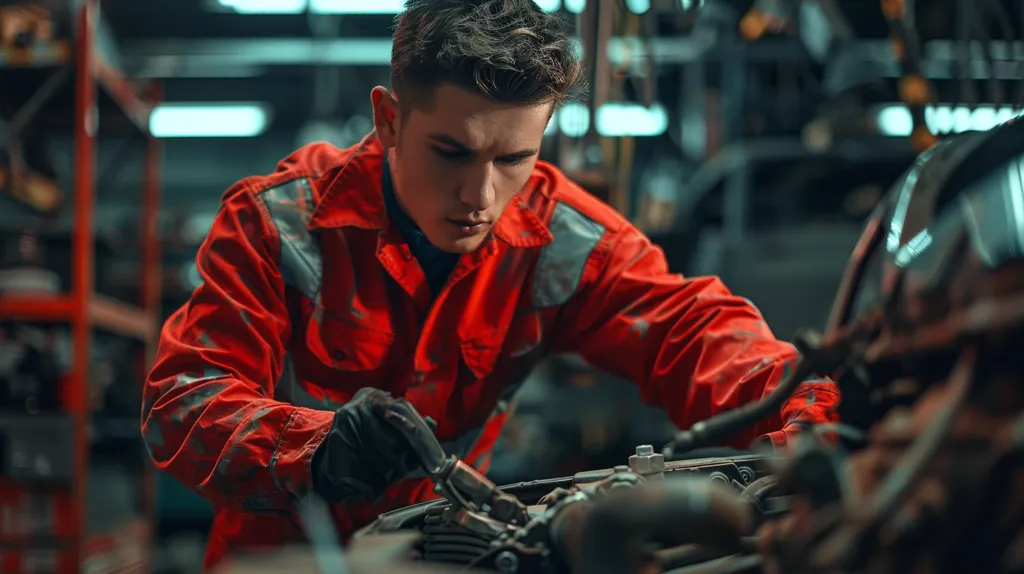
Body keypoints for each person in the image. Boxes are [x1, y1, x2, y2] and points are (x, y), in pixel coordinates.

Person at [140, 0, 839, 568]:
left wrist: (818, 419)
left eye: (515, 159)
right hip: (288, 561)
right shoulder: (275, 224)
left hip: (454, 554)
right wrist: (317, 449)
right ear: (389, 119)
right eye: (452, 151)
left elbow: (692, 330)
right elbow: (181, 403)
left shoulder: (564, 239)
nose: (480, 194)